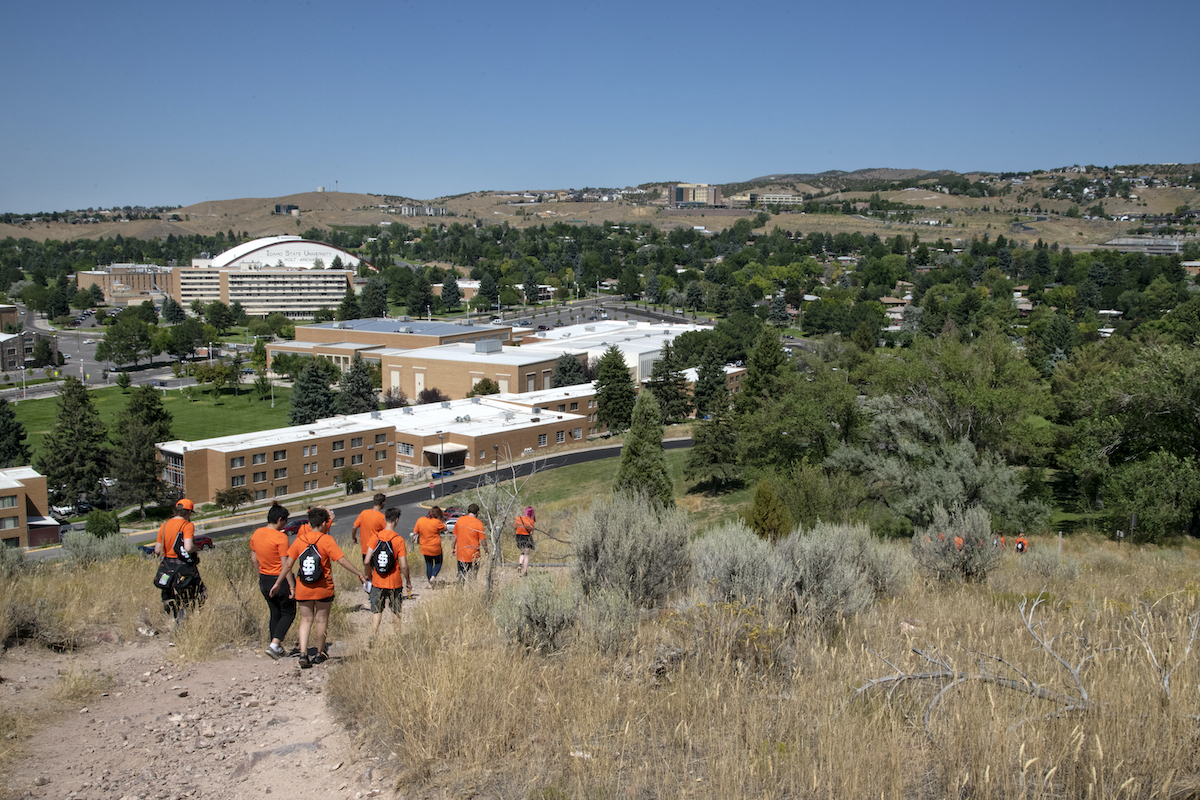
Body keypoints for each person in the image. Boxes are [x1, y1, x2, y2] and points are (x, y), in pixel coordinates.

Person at [273, 506, 367, 669]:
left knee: (306, 620)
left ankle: (303, 654)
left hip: (303, 587)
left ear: (309, 524)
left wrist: (278, 582)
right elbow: (342, 561)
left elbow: (288, 564)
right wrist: (359, 573)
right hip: (323, 587)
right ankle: (319, 653)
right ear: (324, 524)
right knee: (321, 620)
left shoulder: (300, 540)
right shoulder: (326, 540)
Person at [250, 502, 296, 660]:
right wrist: (291, 585)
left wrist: (259, 576)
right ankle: (274, 645)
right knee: (289, 612)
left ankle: (276, 646)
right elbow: (286, 565)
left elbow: (254, 558)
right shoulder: (280, 537)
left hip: (264, 578)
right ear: (280, 520)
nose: (285, 524)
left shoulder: (256, 533)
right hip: (279, 579)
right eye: (285, 520)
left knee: (275, 612)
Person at [154, 498, 206, 624]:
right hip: (183, 568)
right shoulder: (187, 526)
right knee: (194, 596)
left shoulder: (164, 526)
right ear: (188, 513)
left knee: (171, 597)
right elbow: (188, 547)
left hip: (167, 566)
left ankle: (172, 621)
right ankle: (181, 627)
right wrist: (195, 548)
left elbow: (157, 550)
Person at [364, 507, 411, 642]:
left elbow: (367, 561)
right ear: (396, 521)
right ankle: (397, 638)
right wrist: (408, 580)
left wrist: (368, 575)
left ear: (385, 519)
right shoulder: (399, 540)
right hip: (394, 582)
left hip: (378, 582)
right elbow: (403, 565)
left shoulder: (375, 537)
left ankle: (373, 636)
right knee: (395, 610)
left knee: (377, 611)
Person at [412, 506, 447, 590]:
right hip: (435, 547)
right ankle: (433, 577)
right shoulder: (437, 522)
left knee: (428, 564)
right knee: (438, 562)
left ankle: (430, 584)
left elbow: (415, 532)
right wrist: (442, 519)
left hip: (424, 546)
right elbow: (445, 529)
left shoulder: (420, 520)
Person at [451, 503, 488, 581]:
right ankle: (472, 590)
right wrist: (486, 551)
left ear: (468, 511)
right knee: (473, 576)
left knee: (461, 575)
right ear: (477, 512)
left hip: (461, 553)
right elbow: (483, 540)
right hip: (474, 555)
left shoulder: (460, 520)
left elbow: (455, 536)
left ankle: (459, 590)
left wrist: (453, 548)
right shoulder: (478, 523)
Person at [352, 493, 388, 566]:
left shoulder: (363, 513)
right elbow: (387, 533)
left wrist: (354, 538)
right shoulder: (382, 518)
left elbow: (354, 527)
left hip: (365, 550)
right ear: (383, 503)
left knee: (368, 573)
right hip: (376, 550)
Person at [515, 506, 536, 578]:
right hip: (527, 537)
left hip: (519, 537)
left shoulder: (518, 518)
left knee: (522, 552)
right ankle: (525, 572)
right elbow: (531, 532)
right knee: (526, 555)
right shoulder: (531, 521)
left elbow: (515, 527)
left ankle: (520, 563)